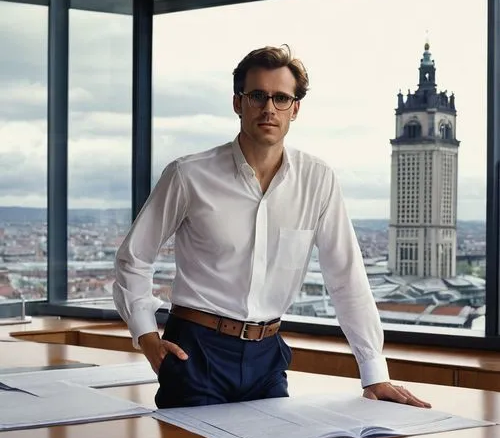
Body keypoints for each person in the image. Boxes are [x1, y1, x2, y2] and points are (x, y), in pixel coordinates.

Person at [113, 45, 431, 410]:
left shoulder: (318, 179)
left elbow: (346, 277)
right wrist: (147, 338)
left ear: (295, 109)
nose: (269, 108)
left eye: (281, 98)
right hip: (195, 352)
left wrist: (374, 374)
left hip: (268, 356)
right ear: (238, 103)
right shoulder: (188, 175)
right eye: (257, 96)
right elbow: (133, 259)